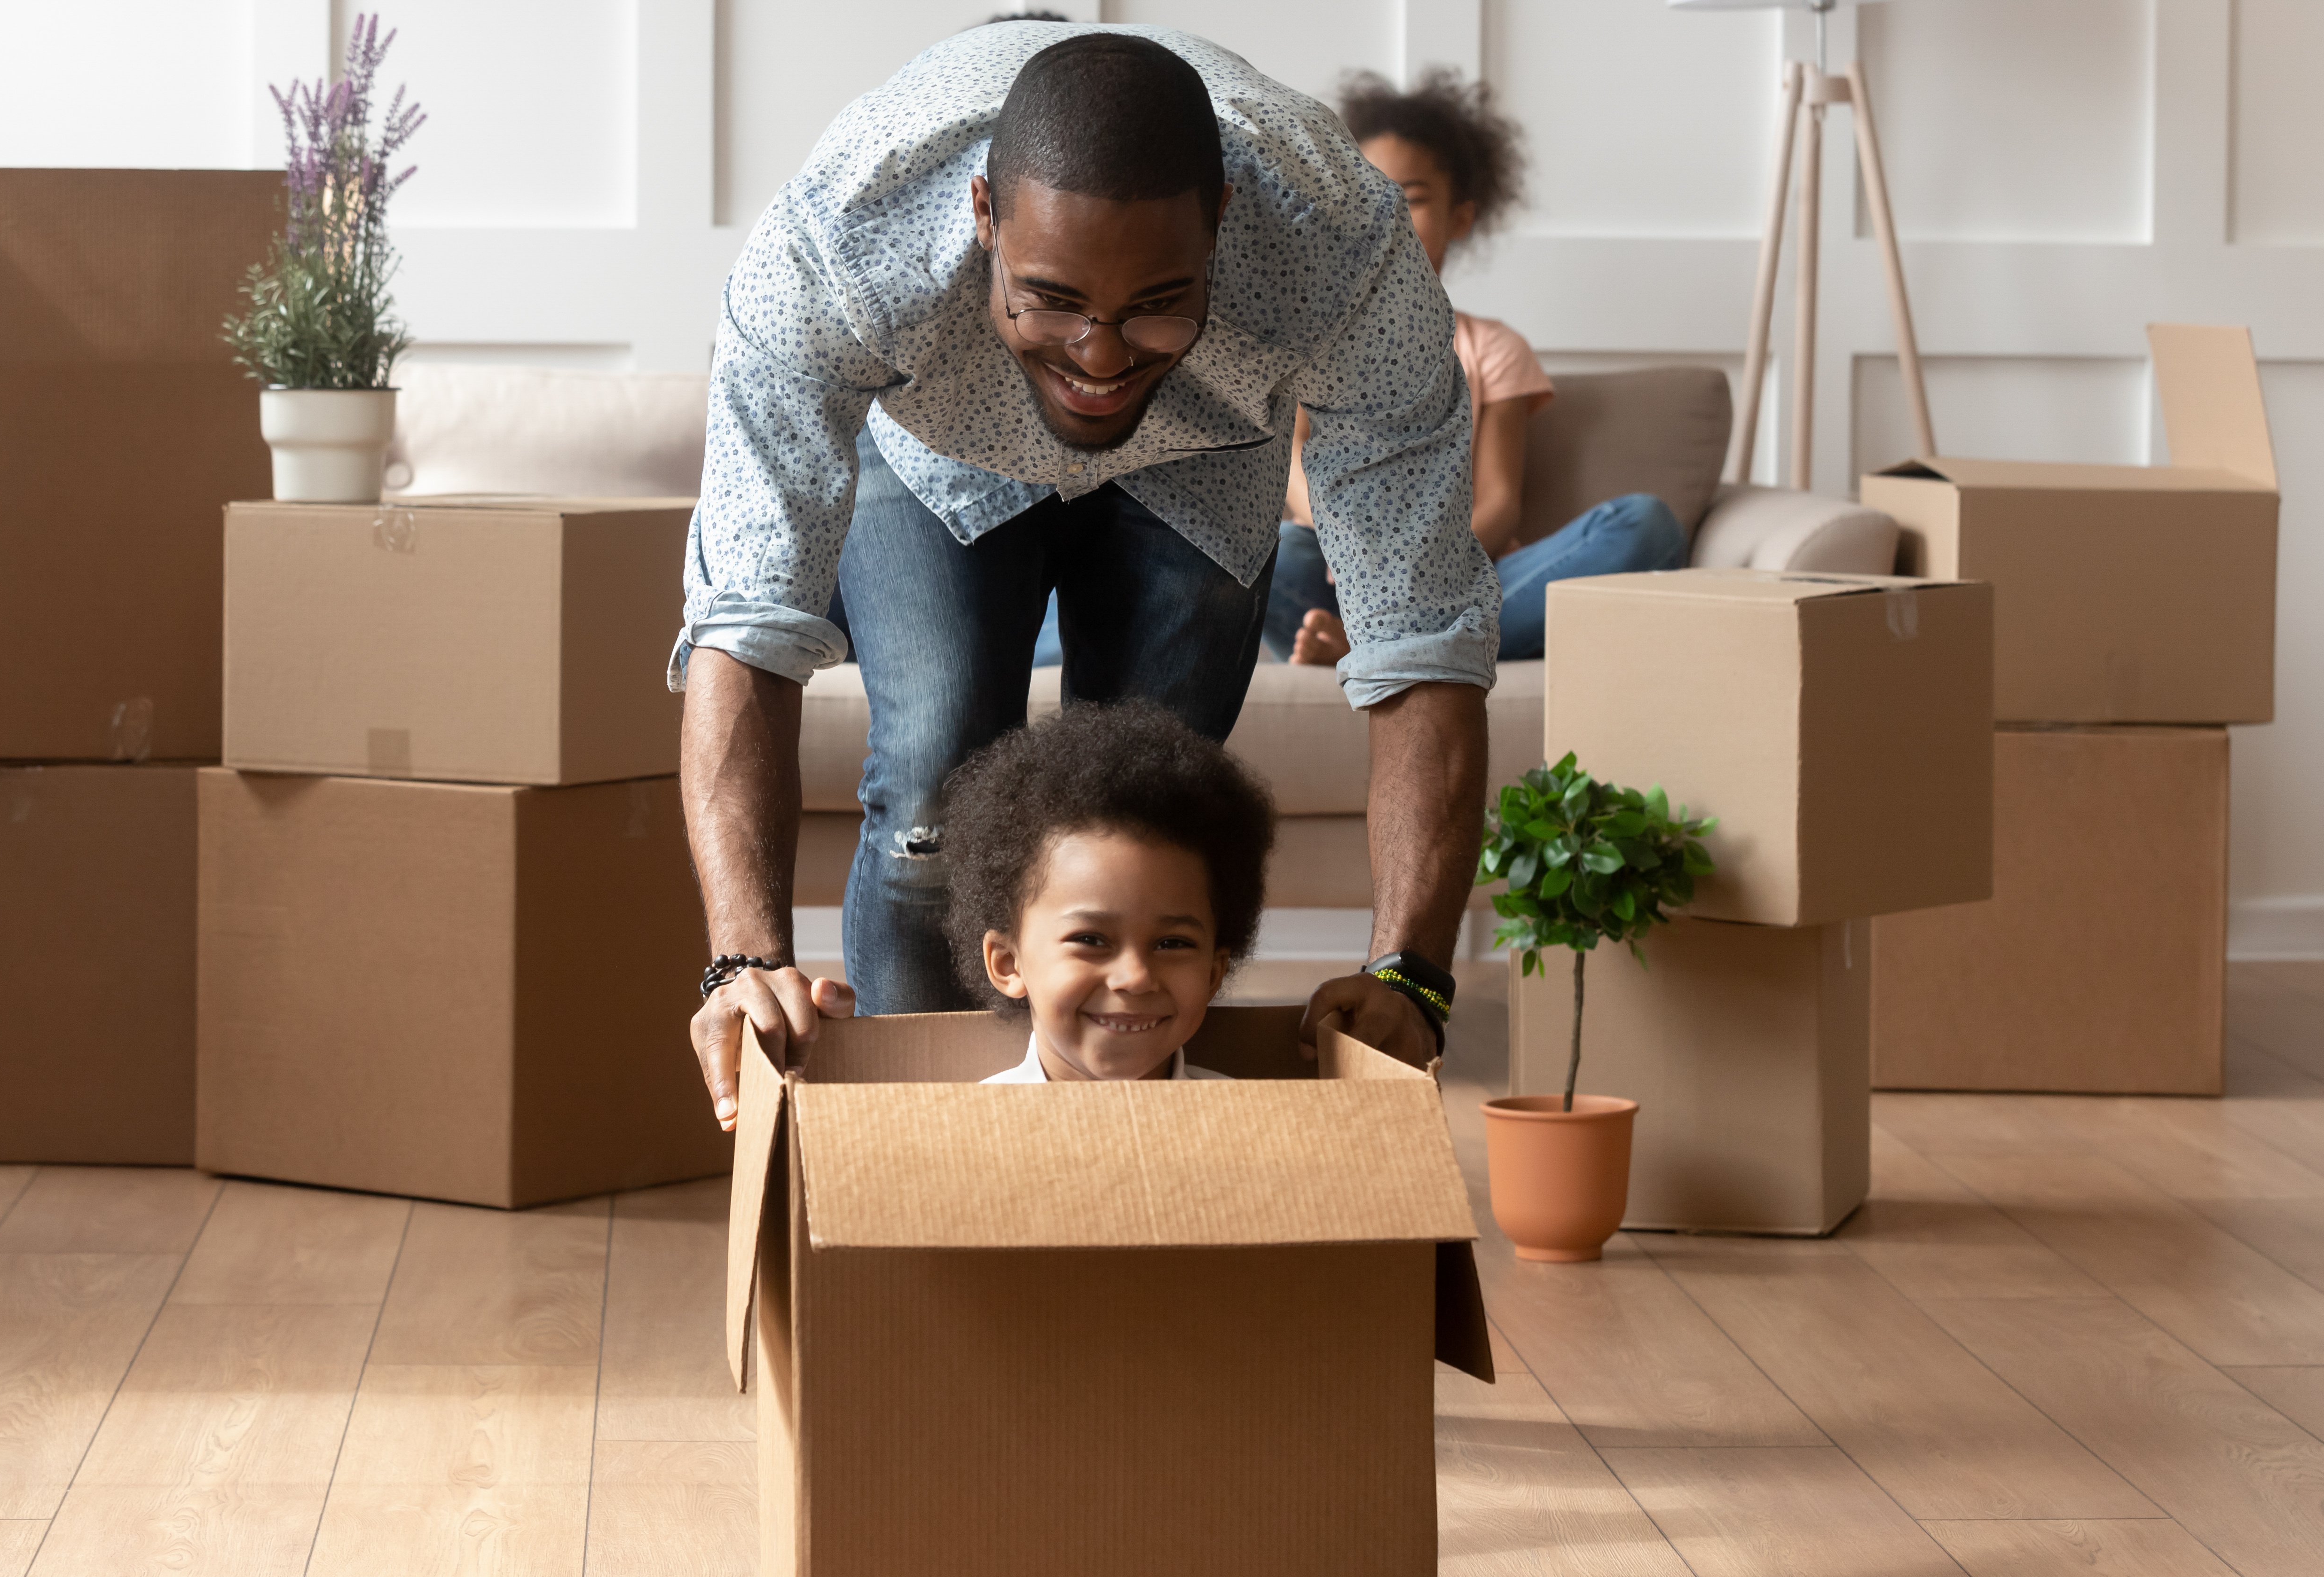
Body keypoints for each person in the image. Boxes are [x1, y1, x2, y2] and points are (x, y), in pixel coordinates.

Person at [681, 24, 1494, 1133]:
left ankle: (1116, 1183)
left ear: (1221, 227)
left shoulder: (1343, 254)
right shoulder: (839, 244)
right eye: (1051, 298)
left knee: (1148, 828)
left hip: (1203, 457)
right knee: (931, 789)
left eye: (1156, 301)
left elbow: (1423, 637)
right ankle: (918, 1154)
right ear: (981, 217)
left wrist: (1411, 973)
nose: (1100, 355)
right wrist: (741, 960)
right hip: (934, 447)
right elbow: (748, 622)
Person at [1274, 71, 1688, 669]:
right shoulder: (1314, 342)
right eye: (1369, 193)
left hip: (1469, 585)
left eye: (1412, 198)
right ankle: (1399, 648)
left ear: (1460, 218)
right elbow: (1293, 468)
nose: (1389, 217)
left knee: (1645, 525)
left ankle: (1377, 649)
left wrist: (1415, 571)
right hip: (1341, 572)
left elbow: (1499, 503)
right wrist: (1358, 549)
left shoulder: (1494, 348)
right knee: (1281, 550)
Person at [945, 699, 1274, 1082]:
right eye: (1090, 939)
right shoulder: (966, 1126)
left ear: (1214, 973)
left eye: (1173, 944)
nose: (1135, 977)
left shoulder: (1252, 1124)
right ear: (1007, 963)